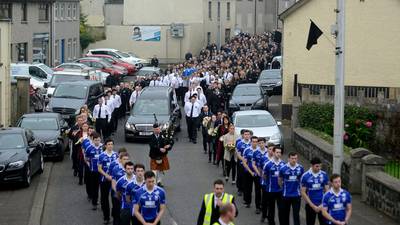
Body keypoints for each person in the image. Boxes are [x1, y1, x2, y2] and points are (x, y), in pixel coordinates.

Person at [301, 157, 329, 225]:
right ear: (312, 165)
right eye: (317, 166)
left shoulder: (324, 174)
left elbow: (327, 191)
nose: (319, 168)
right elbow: (303, 192)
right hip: (310, 205)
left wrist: (322, 205)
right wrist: (313, 206)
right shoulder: (305, 176)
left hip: (322, 205)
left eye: (320, 166)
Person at [279, 152, 305, 225]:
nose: (294, 160)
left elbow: (302, 181)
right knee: (285, 214)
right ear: (288, 159)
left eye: (295, 158)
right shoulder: (283, 168)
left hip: (296, 195)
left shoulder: (300, 168)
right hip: (286, 195)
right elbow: (280, 180)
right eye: (292, 158)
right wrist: (283, 188)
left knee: (296, 215)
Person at [263, 146, 285, 225]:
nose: (278, 154)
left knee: (281, 209)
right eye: (277, 152)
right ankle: (271, 222)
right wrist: (269, 183)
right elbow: (264, 176)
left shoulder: (283, 164)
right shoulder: (268, 164)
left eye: (280, 152)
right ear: (273, 152)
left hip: (280, 190)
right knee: (271, 209)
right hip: (271, 190)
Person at [98, 139, 118, 224]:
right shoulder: (101, 155)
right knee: (104, 198)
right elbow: (99, 168)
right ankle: (106, 217)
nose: (110, 146)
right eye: (108, 144)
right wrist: (106, 175)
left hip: (113, 180)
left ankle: (115, 215)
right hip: (104, 180)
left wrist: (113, 177)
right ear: (105, 145)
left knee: (114, 198)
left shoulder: (116, 155)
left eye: (111, 144)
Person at [82, 132, 103, 210]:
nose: (97, 141)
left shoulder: (103, 147)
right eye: (96, 140)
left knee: (103, 189)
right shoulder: (89, 148)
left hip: (103, 172)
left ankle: (103, 203)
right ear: (93, 140)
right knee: (95, 188)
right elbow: (86, 158)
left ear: (100, 140)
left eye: (98, 140)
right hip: (93, 171)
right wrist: (89, 165)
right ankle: (94, 203)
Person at [241, 136, 261, 211]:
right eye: (253, 141)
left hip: (257, 173)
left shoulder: (260, 151)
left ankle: (258, 207)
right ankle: (248, 202)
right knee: (248, 188)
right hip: (248, 172)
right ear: (251, 142)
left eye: (256, 142)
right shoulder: (247, 150)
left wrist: (258, 172)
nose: (255, 143)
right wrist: (250, 172)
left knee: (258, 190)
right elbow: (244, 162)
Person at [111, 151, 130, 225]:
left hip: (127, 196)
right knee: (117, 211)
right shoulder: (116, 168)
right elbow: (113, 182)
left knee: (125, 214)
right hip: (117, 194)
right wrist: (117, 192)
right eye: (124, 159)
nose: (126, 161)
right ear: (120, 160)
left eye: (127, 159)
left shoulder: (131, 169)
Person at [235, 129, 251, 196]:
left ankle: (246, 189)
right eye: (245, 134)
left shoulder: (251, 143)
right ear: (243, 135)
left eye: (248, 134)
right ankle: (240, 189)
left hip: (249, 163)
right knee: (240, 175)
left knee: (248, 176)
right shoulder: (239, 143)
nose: (247, 136)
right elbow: (238, 153)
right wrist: (243, 159)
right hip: (241, 161)